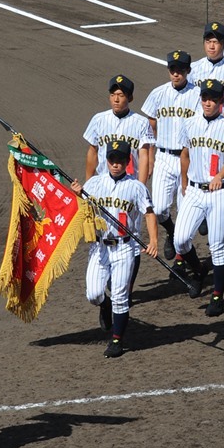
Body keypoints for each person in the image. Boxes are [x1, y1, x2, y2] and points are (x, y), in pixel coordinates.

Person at [70, 140, 159, 358]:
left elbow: (148, 213)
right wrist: (77, 193)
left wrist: (154, 240)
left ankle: (117, 340)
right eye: (112, 160)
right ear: (106, 160)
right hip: (99, 248)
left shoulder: (136, 186)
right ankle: (104, 305)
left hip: (124, 248)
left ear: (127, 161)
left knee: (121, 296)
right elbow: (80, 209)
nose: (115, 164)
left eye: (120, 160)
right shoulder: (94, 184)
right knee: (94, 294)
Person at [173, 79, 224, 316]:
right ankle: (200, 270)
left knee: (218, 247)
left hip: (219, 193)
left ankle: (217, 297)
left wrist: (220, 175)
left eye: (213, 99)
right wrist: (183, 181)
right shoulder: (189, 123)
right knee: (180, 240)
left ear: (222, 101)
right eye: (205, 98)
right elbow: (184, 154)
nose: (208, 103)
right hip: (193, 189)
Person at [83, 75, 155, 300]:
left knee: (130, 239)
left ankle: (124, 288)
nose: (116, 99)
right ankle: (108, 291)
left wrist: (140, 188)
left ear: (130, 98)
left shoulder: (141, 122)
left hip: (129, 188)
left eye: (121, 95)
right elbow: (92, 152)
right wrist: (88, 185)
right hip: (103, 188)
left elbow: (144, 157)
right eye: (113, 94)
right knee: (103, 234)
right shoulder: (98, 119)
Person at [141, 51, 201, 262]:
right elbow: (151, 125)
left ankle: (180, 260)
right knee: (159, 209)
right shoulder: (158, 93)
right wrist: (151, 156)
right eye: (173, 70)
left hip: (188, 159)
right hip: (164, 157)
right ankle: (171, 230)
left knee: (185, 212)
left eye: (181, 71)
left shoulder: (197, 95)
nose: (176, 74)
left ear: (188, 71)